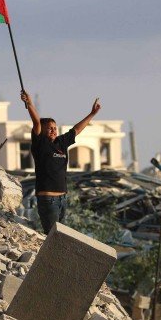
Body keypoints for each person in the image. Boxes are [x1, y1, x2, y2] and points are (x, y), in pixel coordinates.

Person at [20, 90, 101, 235]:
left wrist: (92, 114)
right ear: (42, 131)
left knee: (60, 236)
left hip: (63, 198)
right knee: (53, 236)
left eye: (55, 128)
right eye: (49, 128)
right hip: (48, 199)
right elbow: (36, 122)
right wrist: (29, 103)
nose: (53, 130)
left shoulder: (61, 142)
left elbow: (76, 129)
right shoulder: (40, 143)